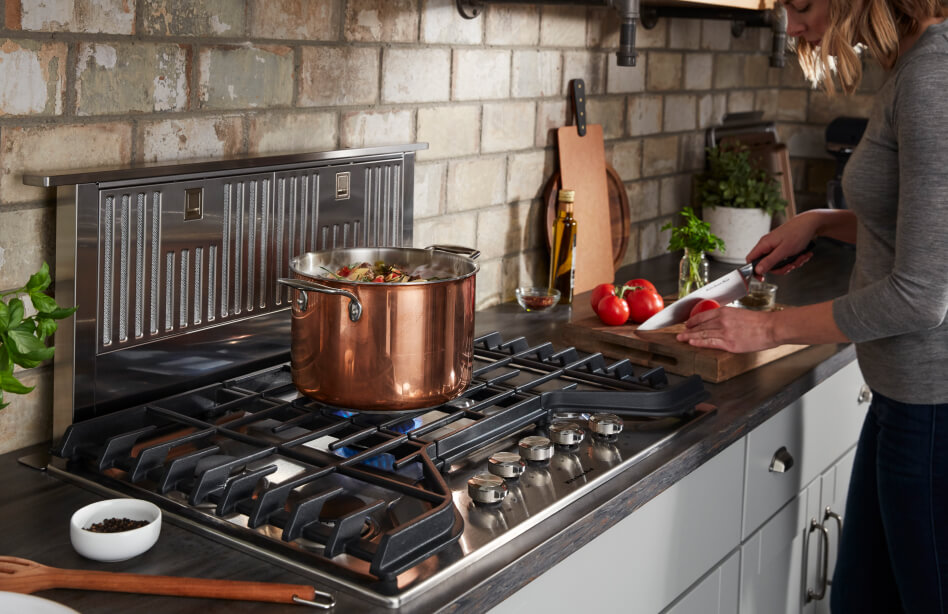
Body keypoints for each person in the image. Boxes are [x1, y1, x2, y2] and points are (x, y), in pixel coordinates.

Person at [676, 0, 948, 611]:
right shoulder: (913, 66)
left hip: (933, 415)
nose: (792, 25)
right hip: (903, 403)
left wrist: (767, 328)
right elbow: (921, 228)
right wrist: (822, 222)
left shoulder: (934, 77)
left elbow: (922, 295)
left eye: (801, 5)